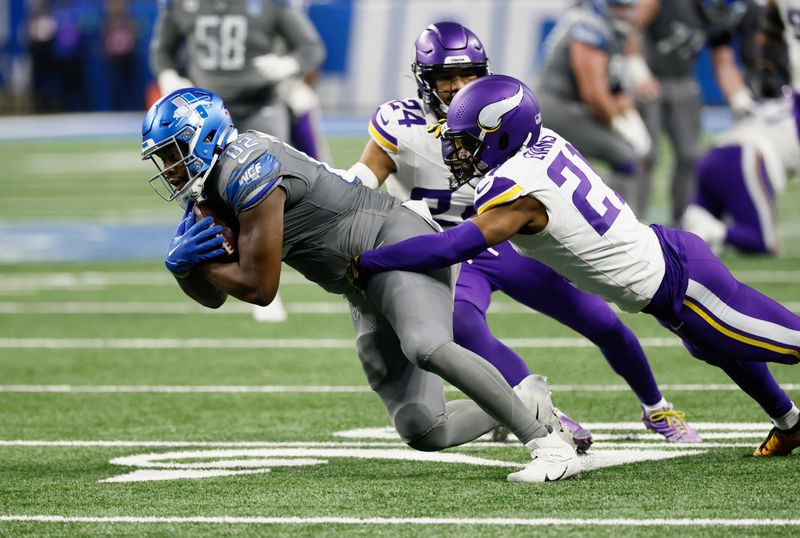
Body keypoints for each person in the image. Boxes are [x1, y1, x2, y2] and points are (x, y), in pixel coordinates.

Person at [140, 87, 583, 483]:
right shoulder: (206, 196)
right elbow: (215, 297)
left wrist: (192, 265)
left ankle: (548, 446)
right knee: (424, 428)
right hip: (359, 281)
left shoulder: (248, 168)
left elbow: (260, 288)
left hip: (394, 241)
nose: (169, 166)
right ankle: (527, 401)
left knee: (426, 345)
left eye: (174, 151)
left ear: (206, 137)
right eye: (162, 157)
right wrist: (185, 270)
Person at [351, 74, 800, 457]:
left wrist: (371, 260)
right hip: (671, 268)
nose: (459, 153)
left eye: (469, 142)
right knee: (720, 348)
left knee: (780, 342)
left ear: (501, 135)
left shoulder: (517, 190)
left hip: (681, 283)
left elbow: (452, 245)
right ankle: (789, 421)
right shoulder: (539, 146)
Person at [350, 21, 699, 446]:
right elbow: (365, 176)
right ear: (426, 80)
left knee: (600, 319)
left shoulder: (497, 115)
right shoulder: (399, 123)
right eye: (446, 77)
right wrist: (348, 187)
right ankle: (538, 409)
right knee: (463, 325)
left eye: (468, 75)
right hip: (446, 249)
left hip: (507, 239)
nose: (459, 86)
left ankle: (657, 407)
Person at [149, 0, 326, 323]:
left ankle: (268, 280)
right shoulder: (181, 5)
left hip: (261, 105)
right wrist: (168, 75)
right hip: (202, 118)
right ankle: (227, 275)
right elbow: (161, 50)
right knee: (205, 202)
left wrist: (290, 64)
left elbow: (311, 47)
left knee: (270, 196)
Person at [627, 0, 755, 223]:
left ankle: (684, 221)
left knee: (690, 156)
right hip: (650, 76)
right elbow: (628, 28)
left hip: (684, 81)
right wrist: (638, 71)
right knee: (646, 153)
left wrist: (739, 100)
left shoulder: (719, 12)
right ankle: (631, 222)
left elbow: (722, 59)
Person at [536, 0, 651, 217]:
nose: (624, 13)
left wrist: (632, 120)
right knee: (624, 156)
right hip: (557, 109)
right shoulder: (589, 27)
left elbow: (615, 89)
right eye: (618, 7)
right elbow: (593, 94)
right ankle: (619, 227)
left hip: (571, 109)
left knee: (630, 152)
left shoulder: (610, 32)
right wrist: (619, 126)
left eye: (627, 8)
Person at [682, 93, 800, 255]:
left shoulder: (785, 101)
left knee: (690, 245)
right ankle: (713, 231)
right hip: (746, 157)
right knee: (764, 242)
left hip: (714, 154)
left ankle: (700, 224)